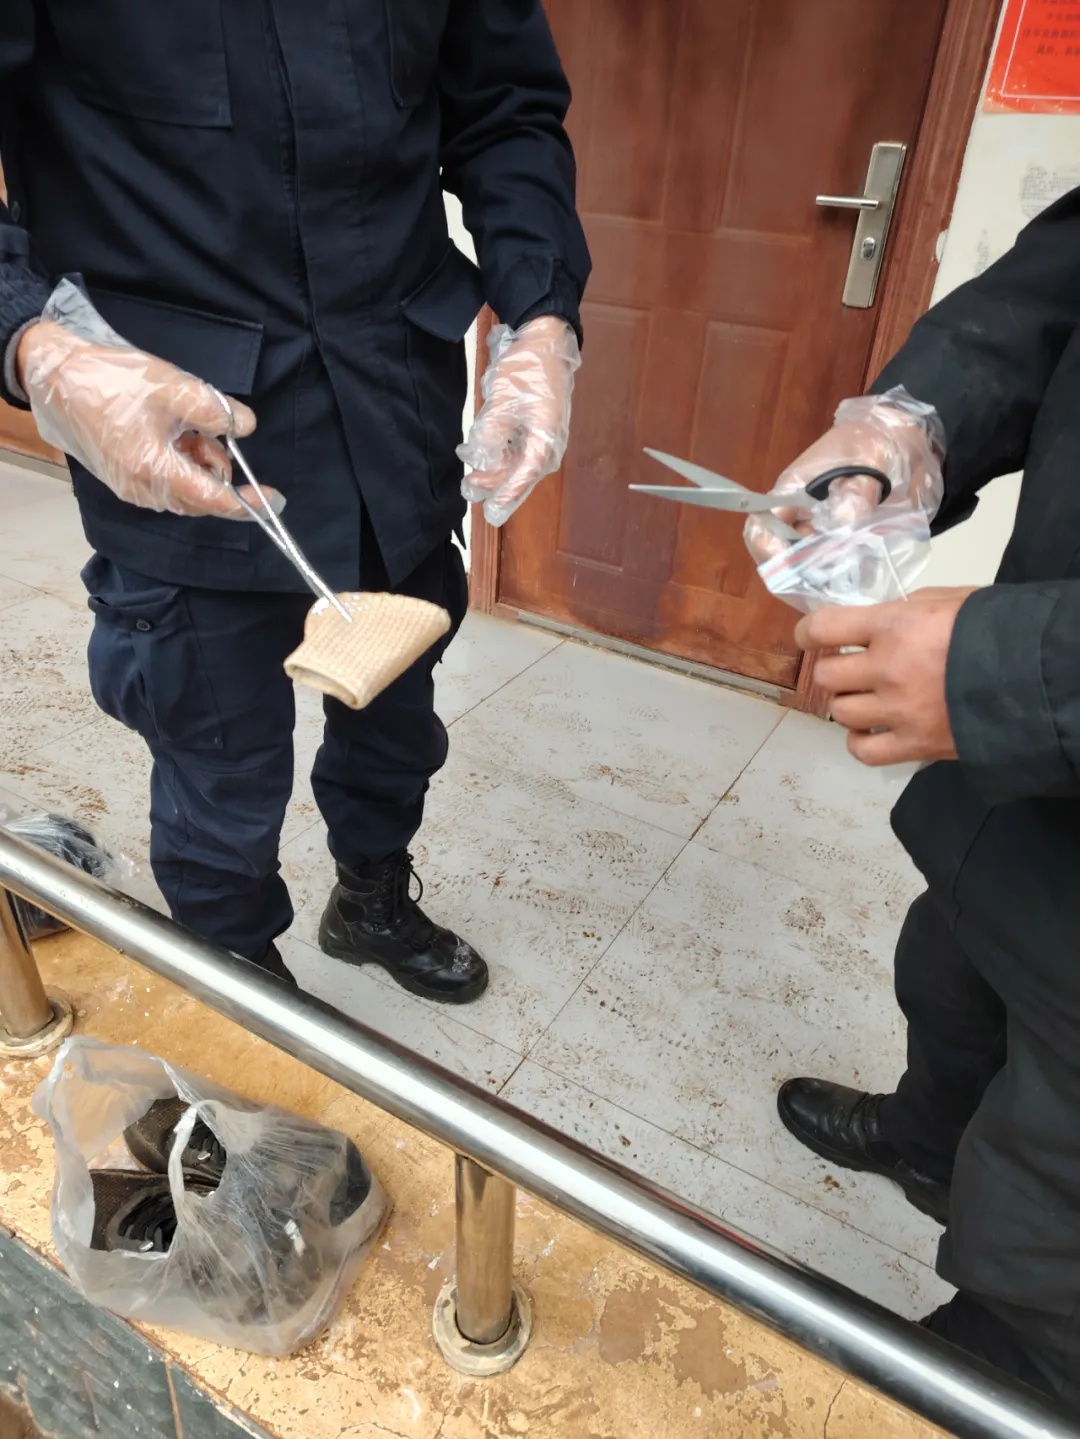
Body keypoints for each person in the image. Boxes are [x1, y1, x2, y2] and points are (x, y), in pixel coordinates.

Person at [0, 3, 590, 999]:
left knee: (397, 716)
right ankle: (245, 996)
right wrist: (30, 341)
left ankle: (369, 898)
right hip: (179, 434)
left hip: (391, 409)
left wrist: (540, 316)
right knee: (217, 763)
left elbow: (505, 109)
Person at [746, 185, 1080, 1403]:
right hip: (1031, 802)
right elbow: (1055, 290)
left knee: (1044, 1268)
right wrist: (909, 425)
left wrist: (1018, 669)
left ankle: (1001, 1357)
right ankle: (926, 1142)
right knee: (952, 968)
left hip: (1037, 700)